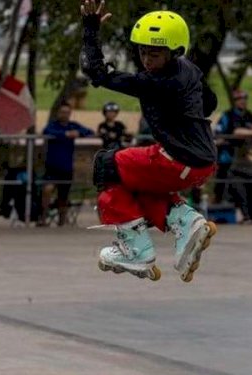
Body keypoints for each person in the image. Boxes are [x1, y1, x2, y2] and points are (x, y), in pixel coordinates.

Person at [81, 0, 218, 282]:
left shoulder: (155, 83)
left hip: (176, 160)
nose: (147, 61)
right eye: (143, 52)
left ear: (174, 51)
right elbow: (210, 103)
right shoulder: (189, 70)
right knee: (133, 184)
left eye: (154, 54)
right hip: (201, 161)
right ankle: (184, 220)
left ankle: (135, 250)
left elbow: (97, 73)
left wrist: (91, 30)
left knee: (107, 165)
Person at [40, 101, 94, 226]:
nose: (64, 115)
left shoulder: (73, 125)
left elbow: (89, 131)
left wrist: (78, 133)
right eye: (62, 112)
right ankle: (43, 218)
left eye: (67, 112)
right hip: (52, 165)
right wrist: (65, 134)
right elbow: (46, 131)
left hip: (66, 166)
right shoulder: (53, 125)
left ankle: (62, 221)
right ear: (58, 113)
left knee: (63, 195)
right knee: (47, 189)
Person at [214, 89, 252, 203]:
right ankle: (218, 203)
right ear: (235, 101)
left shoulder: (249, 115)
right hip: (227, 155)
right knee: (222, 181)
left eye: (244, 99)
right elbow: (218, 133)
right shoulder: (227, 115)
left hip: (245, 156)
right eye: (239, 99)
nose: (243, 101)